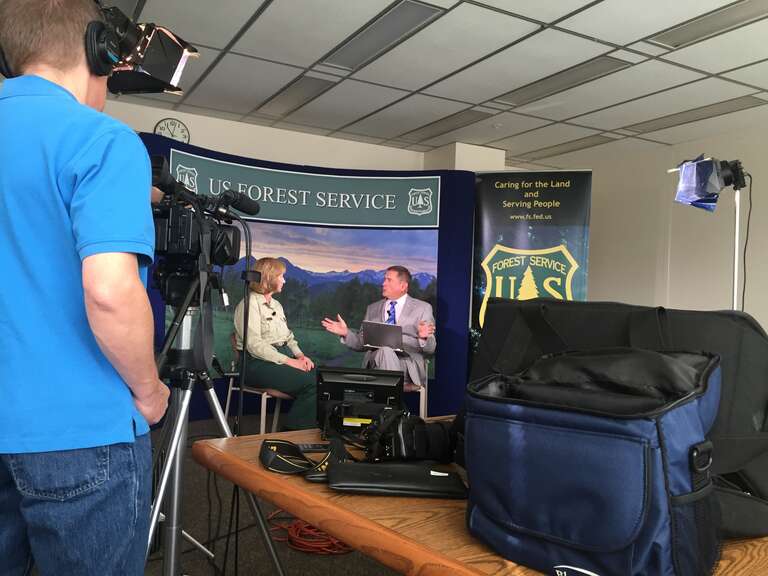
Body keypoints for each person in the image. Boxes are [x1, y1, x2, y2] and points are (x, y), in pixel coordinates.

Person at [0, 1, 169, 574]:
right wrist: (149, 392)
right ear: (100, 49)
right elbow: (109, 292)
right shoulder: (102, 140)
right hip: (82, 433)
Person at [233, 257, 317, 430]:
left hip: (279, 358)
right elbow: (254, 345)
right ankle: (293, 433)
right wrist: (290, 361)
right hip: (255, 364)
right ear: (268, 278)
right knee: (312, 383)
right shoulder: (248, 304)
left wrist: (300, 356)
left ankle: (312, 430)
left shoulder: (277, 305)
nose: (284, 280)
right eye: (281, 276)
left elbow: (288, 337)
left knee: (323, 378)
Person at [322, 265, 436, 390]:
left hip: (407, 367)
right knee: (385, 351)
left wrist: (423, 338)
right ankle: (394, 392)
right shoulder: (372, 309)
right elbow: (361, 344)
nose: (383, 283)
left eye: (388, 280)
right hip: (376, 364)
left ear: (403, 286)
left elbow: (430, 349)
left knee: (386, 351)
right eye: (384, 279)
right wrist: (346, 333)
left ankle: (390, 394)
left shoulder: (422, 308)